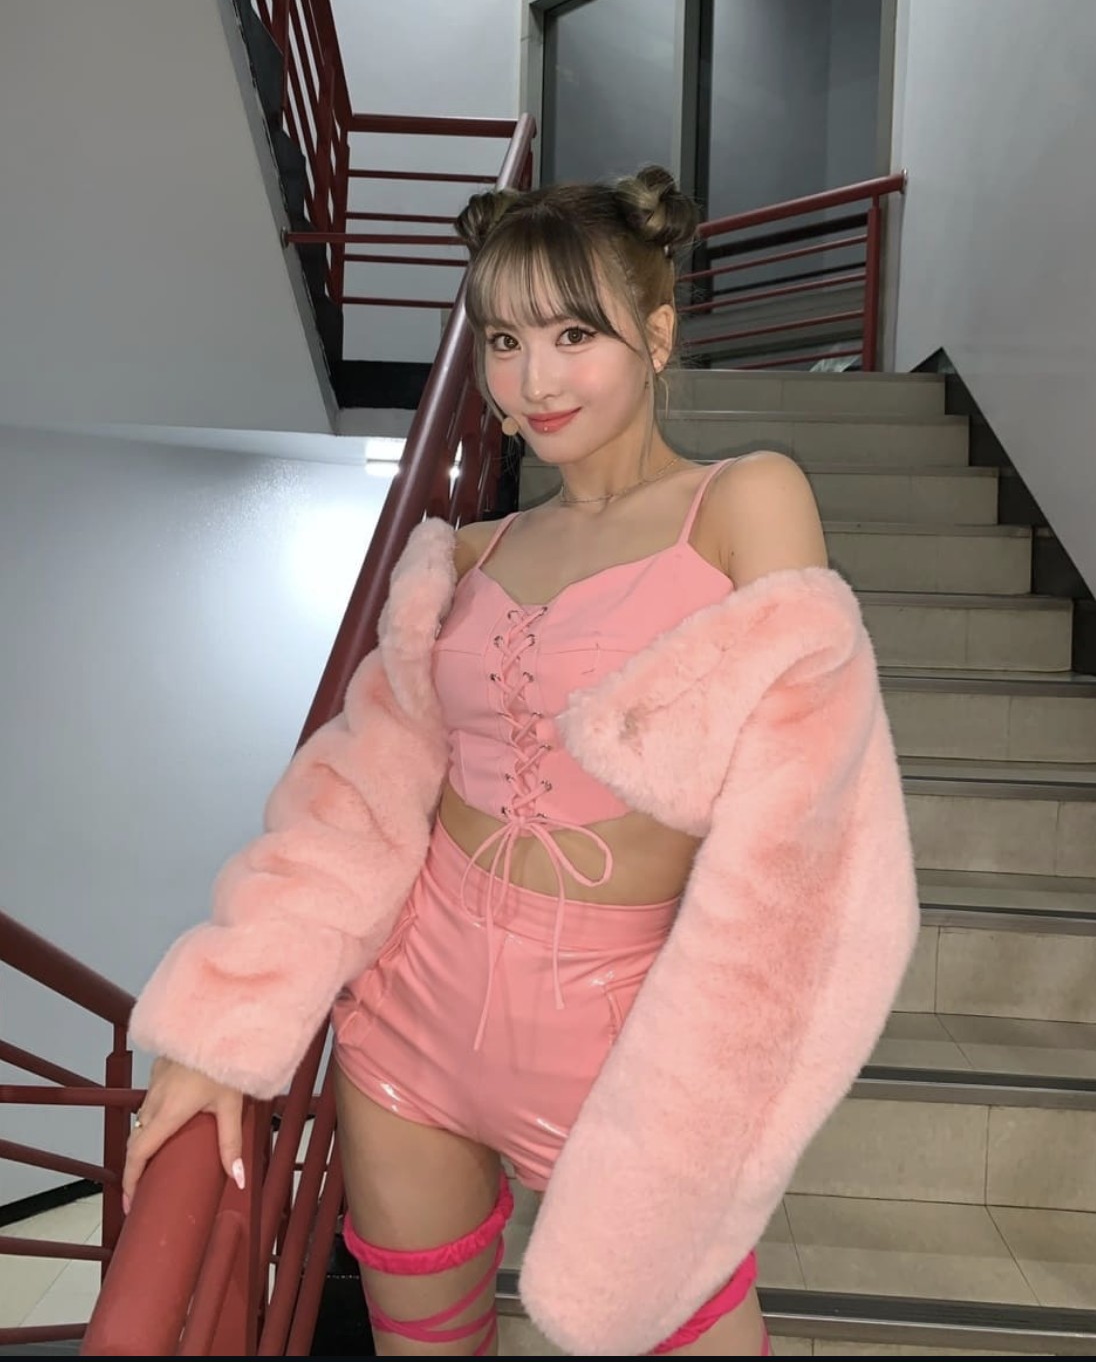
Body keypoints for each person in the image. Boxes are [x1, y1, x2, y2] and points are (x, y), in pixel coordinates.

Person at [123, 166, 919, 1357]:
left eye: (572, 334)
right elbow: (356, 805)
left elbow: (806, 847)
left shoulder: (744, 503)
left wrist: (716, 1096)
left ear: (657, 334)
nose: (532, 379)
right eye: (502, 340)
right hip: (410, 1016)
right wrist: (217, 1029)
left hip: (624, 1037)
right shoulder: (465, 554)